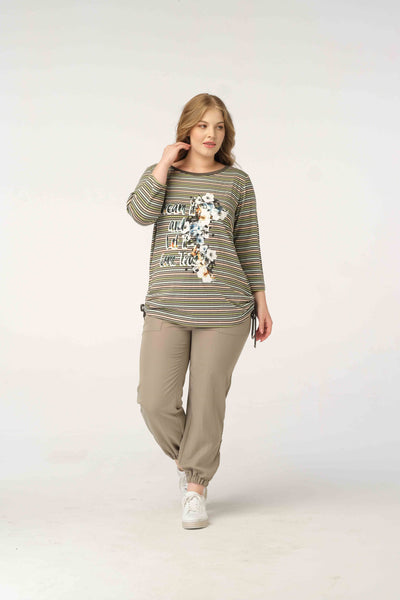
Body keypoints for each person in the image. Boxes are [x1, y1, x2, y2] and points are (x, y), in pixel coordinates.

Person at [126, 93, 273, 529]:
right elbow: (139, 213)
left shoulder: (236, 181)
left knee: (208, 401)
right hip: (166, 306)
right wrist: (163, 163)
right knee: (154, 401)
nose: (211, 134)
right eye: (203, 125)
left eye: (219, 127)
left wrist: (262, 301)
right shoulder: (161, 175)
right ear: (187, 129)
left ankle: (195, 487)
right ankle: (193, 461)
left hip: (225, 308)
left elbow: (248, 243)